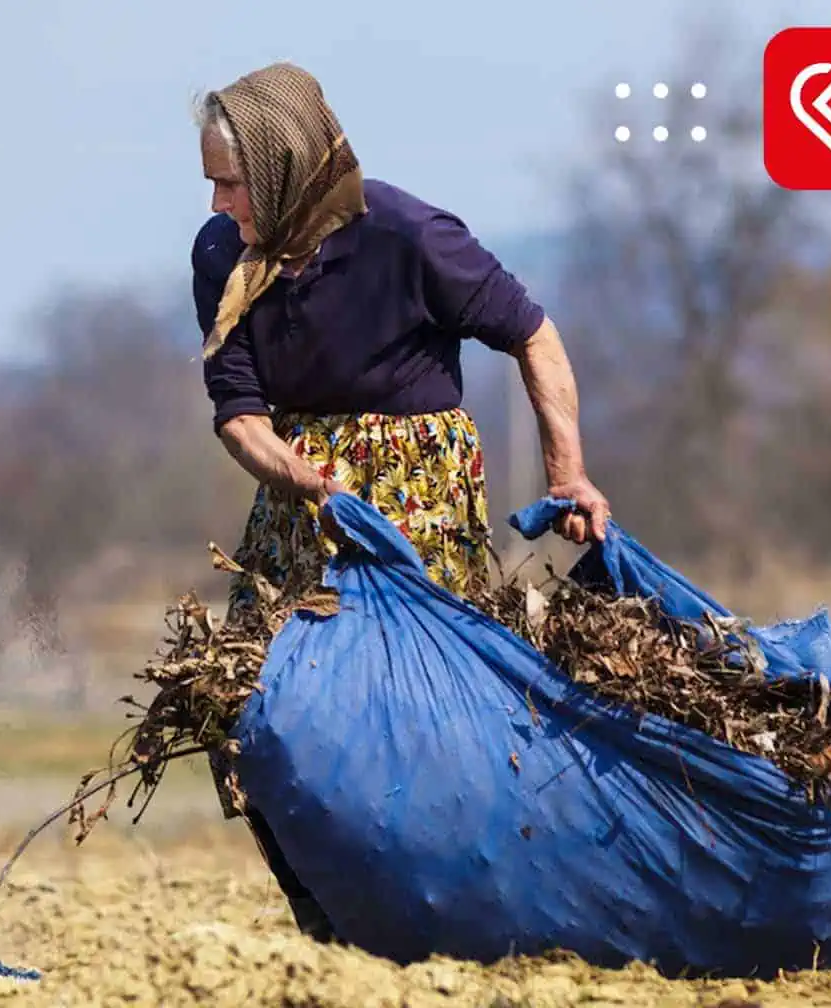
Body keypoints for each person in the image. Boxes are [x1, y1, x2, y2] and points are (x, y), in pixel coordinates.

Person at [191, 61, 611, 941]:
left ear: (282, 164)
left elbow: (532, 335)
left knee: (413, 715)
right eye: (212, 184)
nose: (219, 202)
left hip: (414, 485)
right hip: (301, 490)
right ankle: (323, 912)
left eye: (231, 182)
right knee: (236, 700)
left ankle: (451, 908)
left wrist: (567, 471)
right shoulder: (222, 256)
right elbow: (238, 412)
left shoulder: (407, 233)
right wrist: (299, 476)